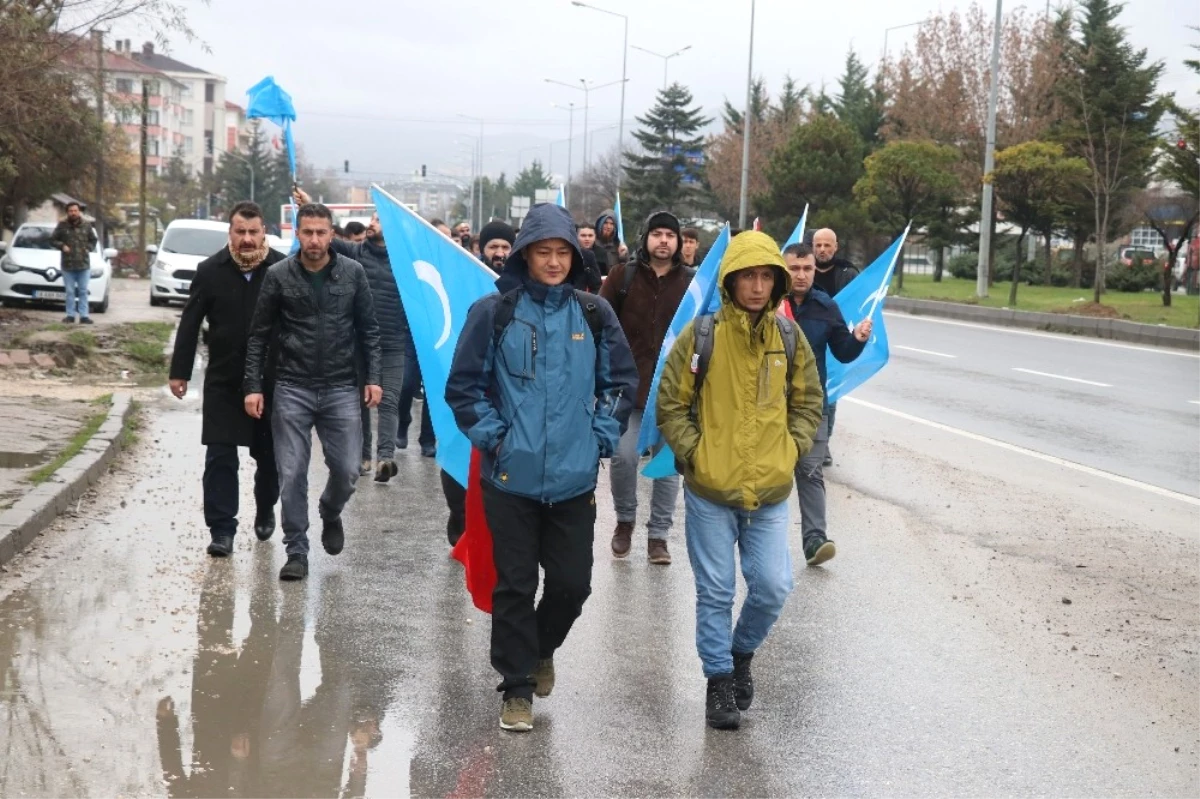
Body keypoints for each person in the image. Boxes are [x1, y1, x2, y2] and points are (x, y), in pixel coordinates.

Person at [446, 202, 637, 733]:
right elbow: (463, 389)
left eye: (562, 253)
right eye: (543, 253)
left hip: (574, 482)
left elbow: (620, 384)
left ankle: (540, 649)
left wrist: (600, 436)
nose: (553, 262)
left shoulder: (595, 315)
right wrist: (498, 440)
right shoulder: (495, 312)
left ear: (575, 258)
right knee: (515, 583)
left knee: (573, 585)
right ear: (526, 256)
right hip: (510, 479)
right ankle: (515, 689)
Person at [656, 231, 823, 731]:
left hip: (769, 490)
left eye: (765, 276)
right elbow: (671, 403)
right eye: (747, 276)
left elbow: (808, 401)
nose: (756, 286)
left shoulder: (789, 338)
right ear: (730, 281)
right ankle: (719, 681)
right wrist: (695, 454)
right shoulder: (701, 335)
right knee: (716, 591)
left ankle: (741, 652)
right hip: (711, 489)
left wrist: (790, 448)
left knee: (773, 585)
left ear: (776, 282)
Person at [244, 203, 383, 582]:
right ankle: (296, 551)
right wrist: (253, 386)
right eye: (308, 232)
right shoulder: (278, 276)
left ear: (332, 234)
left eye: (322, 232)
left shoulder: (352, 273)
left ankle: (330, 511)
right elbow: (258, 336)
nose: (315, 240)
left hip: (340, 386)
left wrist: (373, 377)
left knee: (348, 470)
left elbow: (369, 329)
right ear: (298, 233)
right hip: (292, 386)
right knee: (291, 473)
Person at [169, 201, 286, 558]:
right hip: (223, 379)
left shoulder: (282, 268)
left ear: (263, 230)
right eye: (240, 232)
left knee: (269, 458)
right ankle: (222, 530)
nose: (247, 239)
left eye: (253, 232)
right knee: (220, 456)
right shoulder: (210, 271)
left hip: (271, 381)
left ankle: (265, 507)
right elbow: (190, 323)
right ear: (230, 233)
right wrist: (180, 371)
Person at [293, 188, 409, 483]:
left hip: (394, 344)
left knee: (389, 400)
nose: (372, 223)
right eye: (371, 218)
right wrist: (309, 203)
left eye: (378, 220)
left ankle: (386, 458)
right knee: (361, 401)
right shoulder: (356, 253)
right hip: (359, 343)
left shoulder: (406, 263)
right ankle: (364, 456)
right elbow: (330, 236)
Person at [599, 210, 692, 565]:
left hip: (675, 393)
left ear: (679, 242)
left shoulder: (691, 282)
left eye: (670, 234)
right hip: (629, 389)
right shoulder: (624, 276)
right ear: (646, 239)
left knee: (667, 466)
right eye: (657, 234)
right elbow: (600, 318)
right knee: (623, 457)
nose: (664, 241)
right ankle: (625, 522)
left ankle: (658, 536)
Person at [782, 243, 871, 566]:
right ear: (784, 269)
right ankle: (759, 537)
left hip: (810, 405)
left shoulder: (825, 305)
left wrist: (858, 339)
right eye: (795, 269)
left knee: (809, 471)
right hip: (769, 405)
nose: (802, 275)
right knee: (768, 475)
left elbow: (843, 351)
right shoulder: (767, 303)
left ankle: (815, 540)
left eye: (807, 269)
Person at [810, 228, 860, 467]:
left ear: (836, 247)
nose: (822, 250)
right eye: (818, 245)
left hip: (835, 338)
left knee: (829, 396)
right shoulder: (803, 270)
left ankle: (823, 444)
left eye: (827, 245)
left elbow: (860, 301)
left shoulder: (847, 274)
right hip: (809, 337)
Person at [51, 201, 98, 324]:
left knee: (83, 291)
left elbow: (93, 240)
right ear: (67, 212)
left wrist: (88, 248)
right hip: (68, 265)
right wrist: (62, 246)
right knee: (70, 292)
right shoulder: (62, 225)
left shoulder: (86, 225)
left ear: (79, 212)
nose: (73, 213)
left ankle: (84, 316)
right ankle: (70, 315)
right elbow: (52, 239)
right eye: (71, 211)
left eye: (75, 211)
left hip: (83, 265)